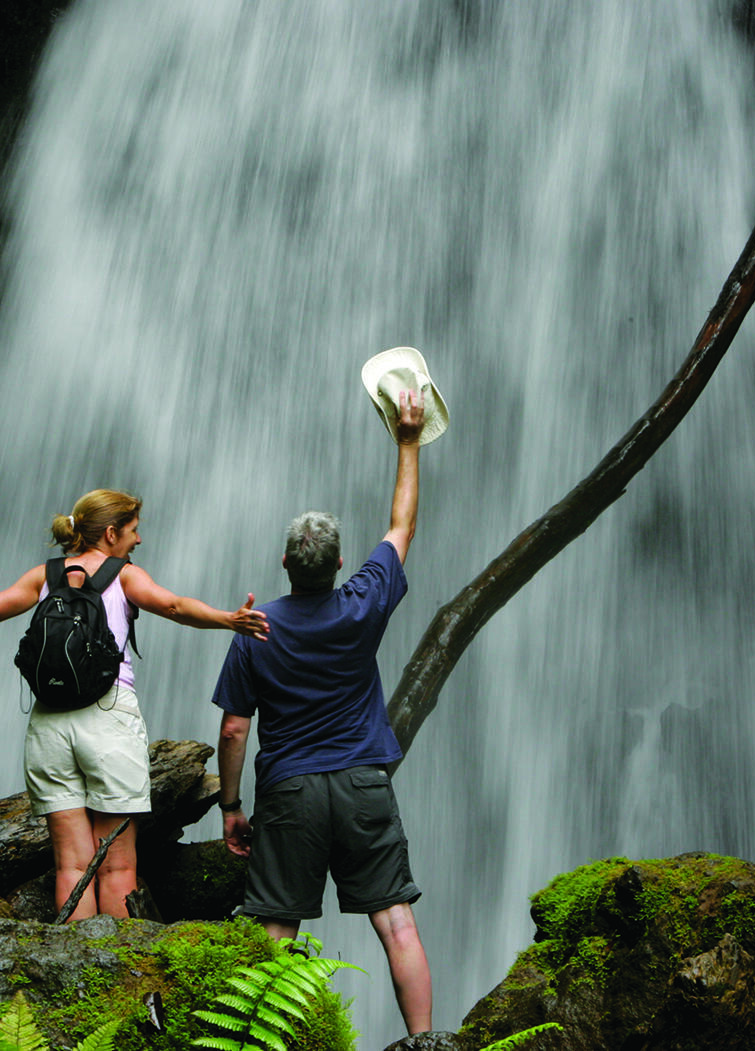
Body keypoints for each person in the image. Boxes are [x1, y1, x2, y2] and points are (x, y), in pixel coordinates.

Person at [0, 489, 268, 920]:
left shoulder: (44, 576)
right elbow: (173, 606)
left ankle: (75, 971)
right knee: (117, 865)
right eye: (134, 531)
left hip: (49, 724)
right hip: (108, 719)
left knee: (72, 866)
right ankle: (118, 979)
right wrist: (226, 619)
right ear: (112, 532)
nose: (138, 541)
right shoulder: (124, 576)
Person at [210, 390, 432, 1037]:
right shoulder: (363, 600)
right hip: (364, 782)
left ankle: (261, 1038)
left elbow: (233, 727)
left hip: (290, 792)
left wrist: (230, 804)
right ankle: (427, 1040)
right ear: (339, 564)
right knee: (395, 920)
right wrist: (408, 438)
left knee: (278, 926)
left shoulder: (257, 627)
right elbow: (402, 526)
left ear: (285, 564)